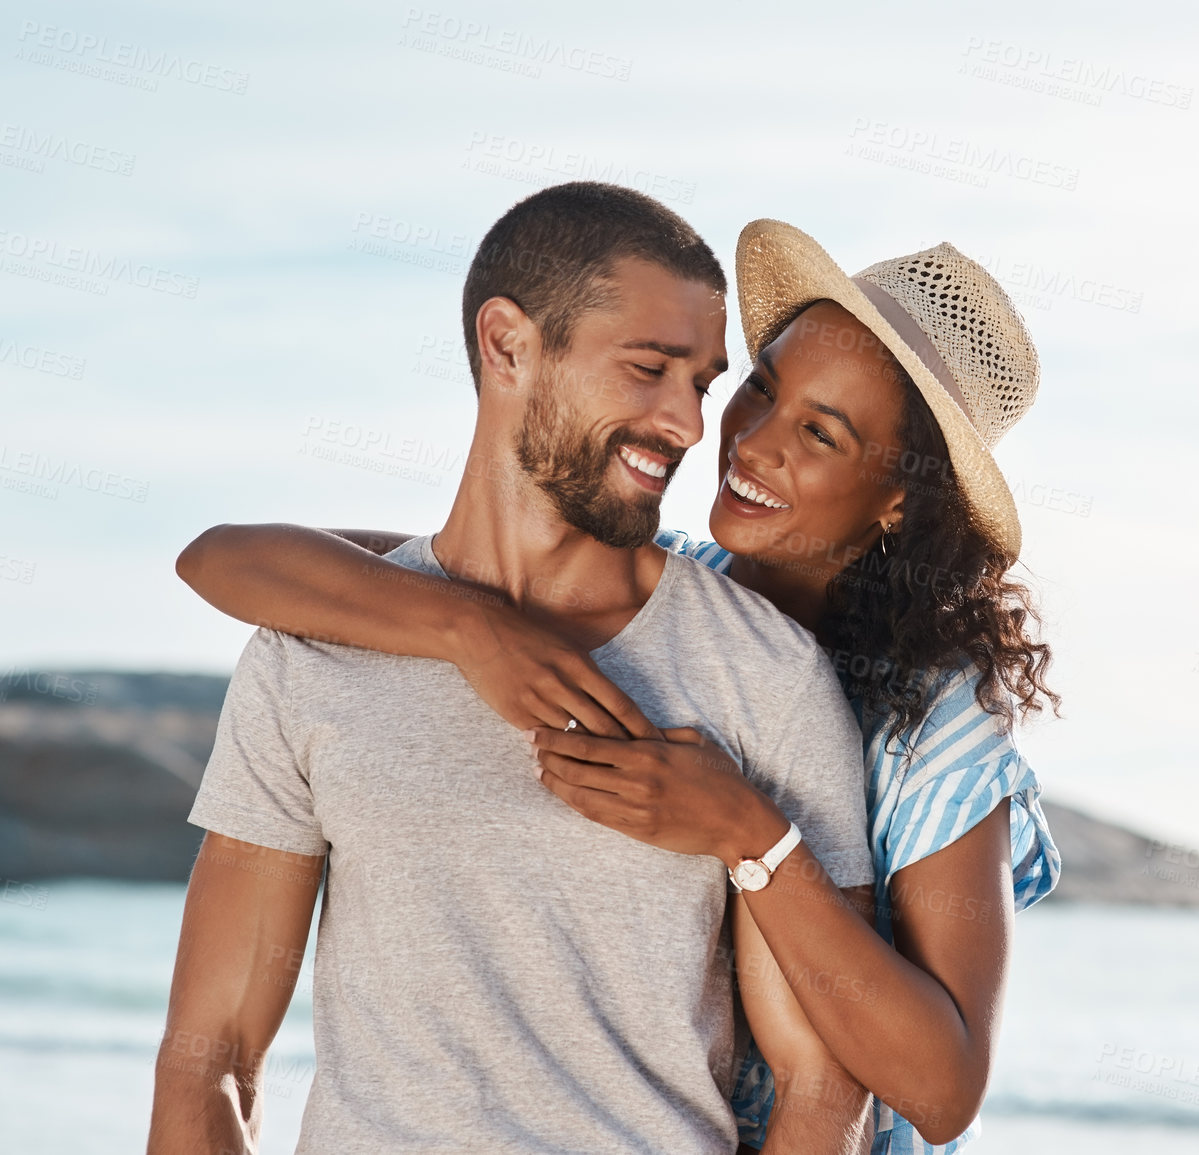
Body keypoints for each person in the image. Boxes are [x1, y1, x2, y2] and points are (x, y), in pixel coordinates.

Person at [178, 219, 1062, 1152]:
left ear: (898, 497)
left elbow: (941, 1085)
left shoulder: (931, 724)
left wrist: (748, 832)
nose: (752, 441)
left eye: (820, 433)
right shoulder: (659, 579)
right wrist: (470, 629)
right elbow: (243, 562)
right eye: (758, 388)